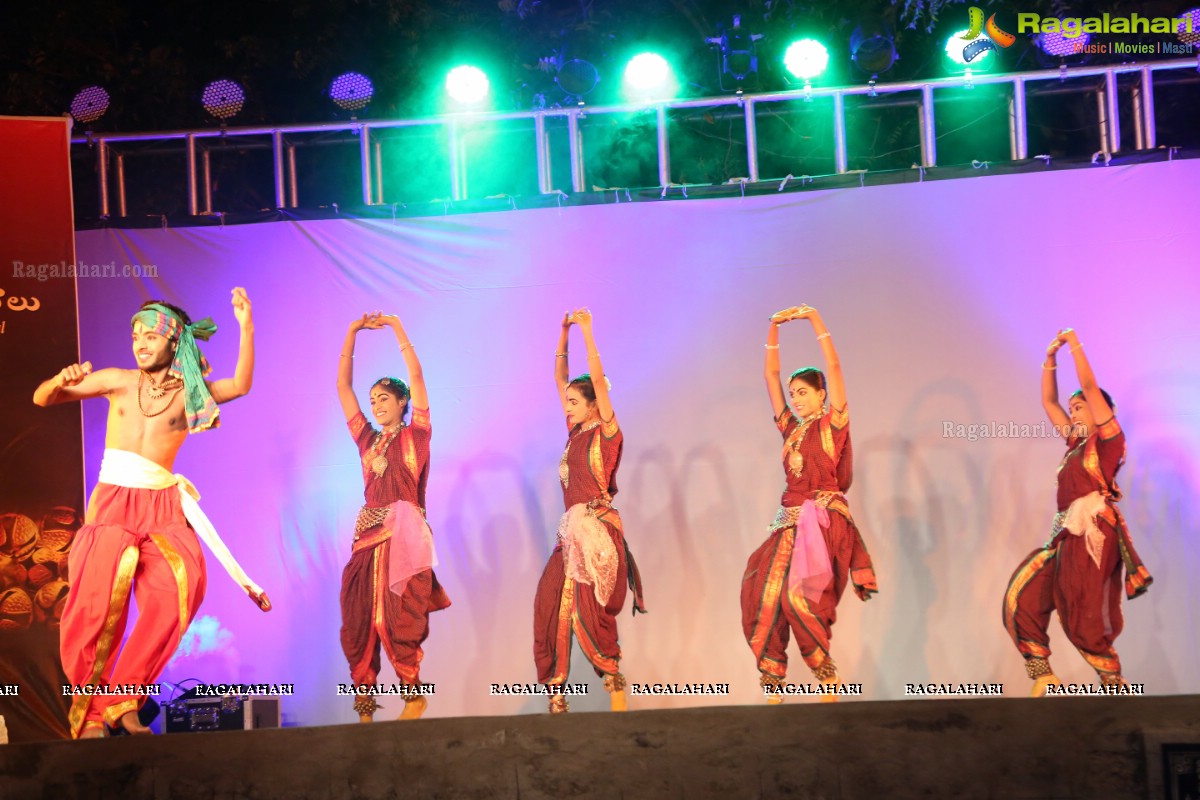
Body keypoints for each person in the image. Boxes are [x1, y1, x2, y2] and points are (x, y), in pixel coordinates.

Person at [32, 289, 269, 739]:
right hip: (114, 503)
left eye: (150, 336)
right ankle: (90, 715)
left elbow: (240, 385)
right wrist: (59, 380)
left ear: (174, 342)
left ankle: (121, 702)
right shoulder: (118, 380)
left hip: (161, 506)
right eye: (134, 334)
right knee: (94, 609)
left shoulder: (190, 395)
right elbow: (43, 399)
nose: (139, 342)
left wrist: (246, 326)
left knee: (179, 591)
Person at [1002, 328, 1151, 695]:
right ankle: (1045, 677)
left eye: (1081, 405)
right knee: (1024, 596)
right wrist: (1049, 361)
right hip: (1066, 533)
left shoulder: (1109, 442)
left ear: (1104, 410)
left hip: (1094, 532)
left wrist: (1074, 344)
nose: (1073, 411)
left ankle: (1114, 683)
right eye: (1074, 409)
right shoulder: (1075, 444)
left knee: (1082, 613)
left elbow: (1088, 383)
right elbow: (1049, 403)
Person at [741, 305, 877, 703]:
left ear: (822, 395)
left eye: (804, 393)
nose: (796, 399)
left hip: (822, 522)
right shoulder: (791, 429)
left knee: (799, 599)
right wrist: (773, 327)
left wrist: (814, 319)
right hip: (788, 521)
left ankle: (827, 678)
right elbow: (769, 376)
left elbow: (834, 366)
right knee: (762, 596)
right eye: (794, 394)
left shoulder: (833, 423)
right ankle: (773, 687)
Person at [336, 312, 450, 722]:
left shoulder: (416, 434)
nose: (376, 405)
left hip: (403, 535)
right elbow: (342, 387)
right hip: (368, 536)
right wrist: (351, 332)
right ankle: (365, 708)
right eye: (372, 401)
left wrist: (399, 328)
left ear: (401, 402)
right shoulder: (366, 439)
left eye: (384, 398)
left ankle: (413, 696)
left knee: (398, 616)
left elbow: (417, 379)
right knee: (360, 617)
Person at [533, 308, 645, 713]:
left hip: (598, 530)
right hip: (570, 534)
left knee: (591, 610)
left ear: (595, 405)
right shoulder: (574, 432)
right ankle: (557, 698)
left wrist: (588, 332)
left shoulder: (607, 432)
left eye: (575, 402)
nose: (567, 406)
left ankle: (616, 691)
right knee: (550, 605)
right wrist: (562, 334)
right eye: (566, 403)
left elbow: (596, 381)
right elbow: (560, 378)